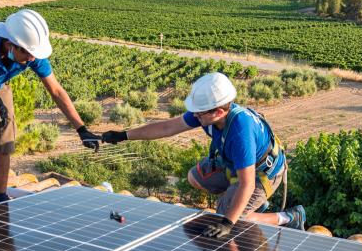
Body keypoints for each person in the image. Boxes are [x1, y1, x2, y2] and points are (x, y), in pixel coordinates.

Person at [101, 72, 305, 238]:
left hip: (262, 173)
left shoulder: (240, 132)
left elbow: (248, 184)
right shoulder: (208, 113)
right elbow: (167, 127)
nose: (195, 116)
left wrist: (227, 222)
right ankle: (243, 202)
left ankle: (287, 217)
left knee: (233, 218)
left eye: (200, 113)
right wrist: (123, 135)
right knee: (194, 177)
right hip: (233, 164)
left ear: (218, 112)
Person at [0, 9, 100, 209]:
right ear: (10, 43)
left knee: (5, 143)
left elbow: (56, 90)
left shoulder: (32, 52)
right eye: (28, 54)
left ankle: (1, 198)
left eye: (34, 55)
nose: (32, 59)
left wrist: (81, 129)